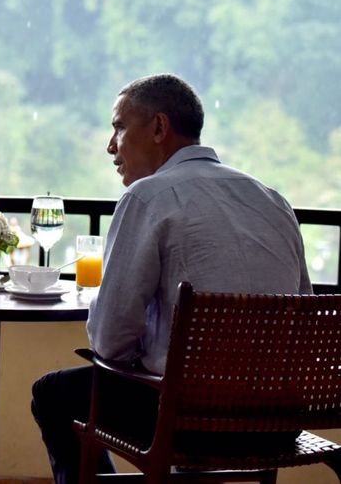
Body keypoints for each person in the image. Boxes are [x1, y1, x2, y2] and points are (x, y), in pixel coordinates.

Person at [31, 73, 312, 483]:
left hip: (188, 421)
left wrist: (143, 350)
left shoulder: (148, 196)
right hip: (277, 424)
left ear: (160, 127)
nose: (111, 146)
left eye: (119, 127)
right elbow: (301, 309)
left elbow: (109, 339)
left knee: (54, 393)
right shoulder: (272, 198)